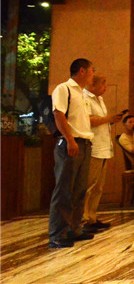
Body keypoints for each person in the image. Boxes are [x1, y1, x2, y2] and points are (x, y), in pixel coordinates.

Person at [48, 58, 96, 249]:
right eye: (92, 70)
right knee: (64, 190)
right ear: (82, 71)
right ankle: (56, 234)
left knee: (79, 190)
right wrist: (69, 139)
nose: (93, 74)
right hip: (70, 144)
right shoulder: (64, 89)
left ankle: (74, 228)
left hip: (84, 144)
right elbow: (58, 114)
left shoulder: (83, 94)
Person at [82, 74, 123, 232]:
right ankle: (83, 219)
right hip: (94, 147)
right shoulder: (85, 98)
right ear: (92, 85)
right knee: (89, 185)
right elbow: (88, 120)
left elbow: (101, 120)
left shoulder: (100, 99)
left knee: (98, 187)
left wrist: (111, 120)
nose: (105, 87)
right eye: (103, 84)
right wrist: (108, 119)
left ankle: (92, 217)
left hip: (104, 147)